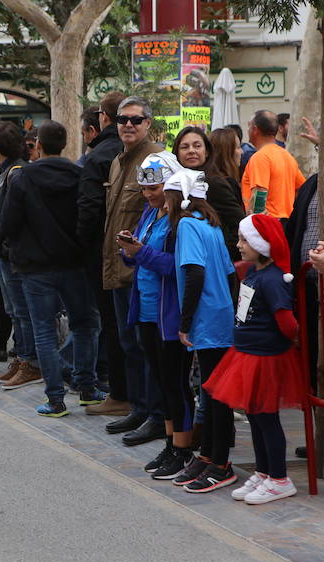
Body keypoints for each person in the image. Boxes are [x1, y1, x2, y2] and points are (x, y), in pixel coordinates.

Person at [2, 120, 104, 416]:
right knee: (85, 324)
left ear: (39, 146)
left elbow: (9, 223)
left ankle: (56, 399)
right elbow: (89, 214)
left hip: (35, 268)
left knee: (44, 332)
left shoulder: (22, 178)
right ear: (65, 144)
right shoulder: (79, 174)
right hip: (74, 263)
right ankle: (86, 386)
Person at [203, 214, 303, 503]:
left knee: (267, 420)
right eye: (239, 239)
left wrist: (289, 338)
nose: (239, 245)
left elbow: (286, 322)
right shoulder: (254, 273)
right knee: (256, 418)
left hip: (265, 358)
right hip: (247, 355)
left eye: (245, 240)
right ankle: (263, 472)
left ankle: (280, 479)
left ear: (263, 243)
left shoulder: (272, 280)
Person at [117, 152, 196, 477]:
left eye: (156, 188)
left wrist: (142, 253)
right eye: (145, 190)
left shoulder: (182, 220)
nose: (149, 195)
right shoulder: (150, 214)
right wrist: (130, 250)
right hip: (148, 310)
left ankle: (183, 448)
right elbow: (141, 257)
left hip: (170, 313)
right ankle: (170, 444)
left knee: (176, 383)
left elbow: (179, 267)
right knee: (163, 383)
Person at [164, 168, 238, 493]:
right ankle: (208, 455)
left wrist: (185, 322)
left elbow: (194, 274)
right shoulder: (211, 225)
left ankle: (221, 463)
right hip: (219, 315)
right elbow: (230, 273)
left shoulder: (188, 226)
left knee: (216, 395)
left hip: (206, 319)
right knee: (212, 392)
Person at [98, 96, 166, 444]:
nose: (127, 124)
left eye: (135, 120)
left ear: (147, 124)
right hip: (119, 267)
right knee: (129, 344)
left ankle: (155, 414)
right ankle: (139, 408)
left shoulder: (156, 160)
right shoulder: (117, 161)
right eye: (123, 119)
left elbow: (162, 212)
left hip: (142, 272)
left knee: (144, 345)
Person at [77, 90, 127, 418]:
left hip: (105, 253)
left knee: (113, 321)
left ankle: (121, 391)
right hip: (136, 249)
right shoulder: (128, 153)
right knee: (127, 323)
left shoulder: (97, 158)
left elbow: (88, 212)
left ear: (102, 118)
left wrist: (82, 248)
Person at [0, 121, 42, 391]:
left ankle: (29, 362)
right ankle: (23, 359)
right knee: (15, 310)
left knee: (21, 311)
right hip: (5, 252)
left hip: (11, 253)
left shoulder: (17, 172)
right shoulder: (11, 170)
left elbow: (10, 216)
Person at [173, 126, 245, 262]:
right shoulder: (174, 185)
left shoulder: (215, 183)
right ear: (177, 153)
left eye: (197, 146)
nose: (191, 151)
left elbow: (238, 226)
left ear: (206, 152)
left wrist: (218, 256)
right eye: (184, 147)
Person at [241, 110, 305, 218]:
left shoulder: (260, 157)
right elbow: (302, 188)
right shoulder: (287, 156)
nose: (247, 130)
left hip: (268, 224)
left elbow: (260, 193)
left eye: (248, 126)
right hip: (286, 223)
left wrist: (256, 218)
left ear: (255, 129)